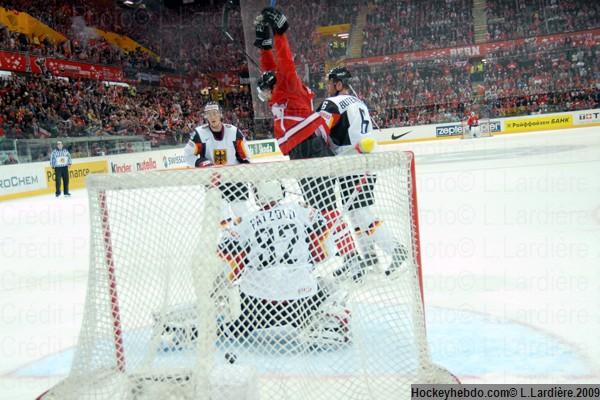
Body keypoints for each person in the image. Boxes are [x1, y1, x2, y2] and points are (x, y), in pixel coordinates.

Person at [157, 180, 351, 351]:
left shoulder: (246, 221)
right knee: (329, 286)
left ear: (257, 196)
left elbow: (225, 259)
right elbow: (326, 243)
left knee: (229, 310)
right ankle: (327, 320)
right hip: (299, 302)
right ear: (281, 190)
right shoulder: (301, 211)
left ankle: (189, 327)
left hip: (258, 306)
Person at [255, 7, 361, 272]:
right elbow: (270, 68)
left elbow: (285, 64)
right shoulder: (279, 93)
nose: (265, 98)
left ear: (272, 88)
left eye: (264, 92)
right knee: (318, 207)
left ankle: (352, 258)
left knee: (326, 207)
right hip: (300, 152)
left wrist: (279, 34)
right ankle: (330, 255)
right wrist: (264, 45)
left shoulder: (289, 87)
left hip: (311, 148)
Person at [319, 67, 407, 278]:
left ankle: (397, 251)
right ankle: (369, 258)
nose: (327, 87)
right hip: (363, 160)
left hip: (352, 162)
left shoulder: (332, 104)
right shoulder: (358, 102)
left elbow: (319, 130)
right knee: (356, 212)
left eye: (330, 83)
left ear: (339, 84)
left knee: (360, 212)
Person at [183, 101, 251, 217]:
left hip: (235, 179)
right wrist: (201, 162)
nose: (212, 117)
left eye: (214, 113)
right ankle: (227, 235)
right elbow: (188, 155)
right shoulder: (199, 133)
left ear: (220, 114)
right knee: (222, 216)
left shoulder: (234, 131)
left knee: (242, 214)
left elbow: (245, 156)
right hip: (214, 181)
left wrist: (245, 171)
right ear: (205, 116)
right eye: (208, 114)